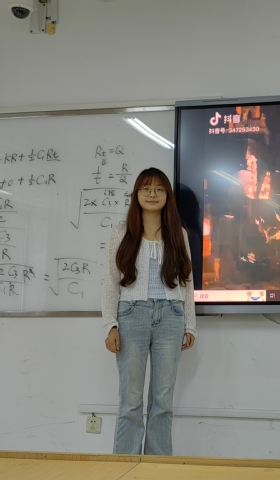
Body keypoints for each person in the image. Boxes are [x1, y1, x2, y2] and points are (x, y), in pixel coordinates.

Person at [102, 167, 196, 455]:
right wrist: (110, 324)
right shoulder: (121, 233)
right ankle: (124, 466)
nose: (152, 194)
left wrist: (190, 324)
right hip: (131, 316)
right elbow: (110, 281)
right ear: (137, 194)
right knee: (130, 401)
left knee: (163, 402)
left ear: (167, 195)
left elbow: (187, 282)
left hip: (171, 317)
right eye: (146, 189)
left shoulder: (178, 234)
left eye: (158, 189)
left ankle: (158, 468)